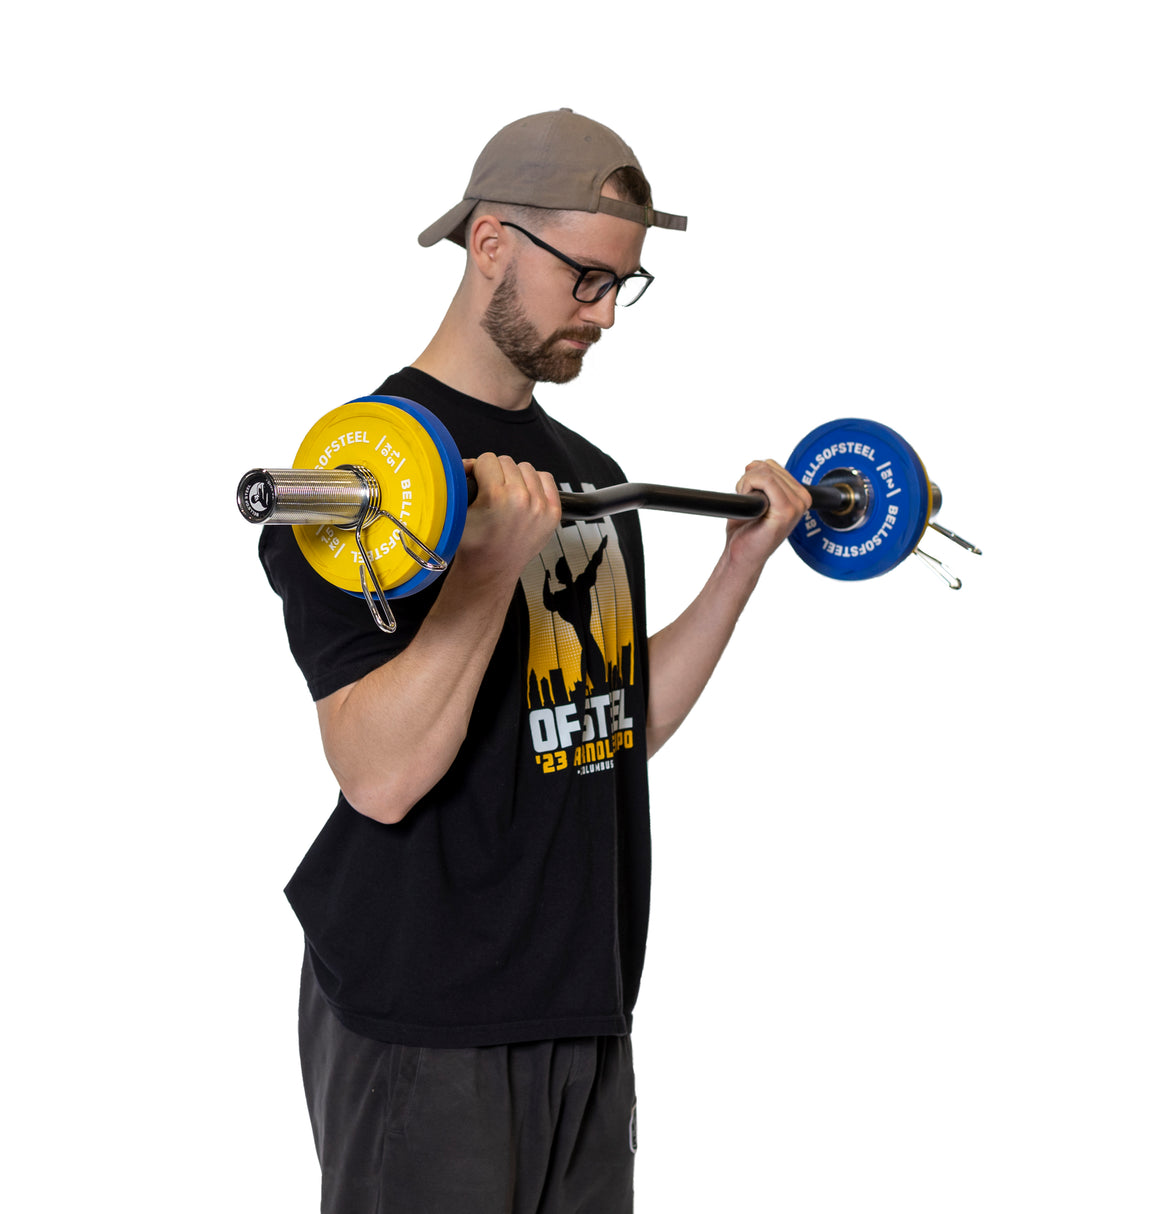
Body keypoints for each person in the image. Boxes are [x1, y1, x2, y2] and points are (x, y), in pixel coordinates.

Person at [259, 108, 812, 1214]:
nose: (603, 314)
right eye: (586, 278)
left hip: (582, 1005)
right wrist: (480, 577)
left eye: (623, 286)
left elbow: (613, 716)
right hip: (425, 1012)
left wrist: (739, 568)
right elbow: (378, 773)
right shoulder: (363, 469)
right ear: (491, 240)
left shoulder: (592, 476)